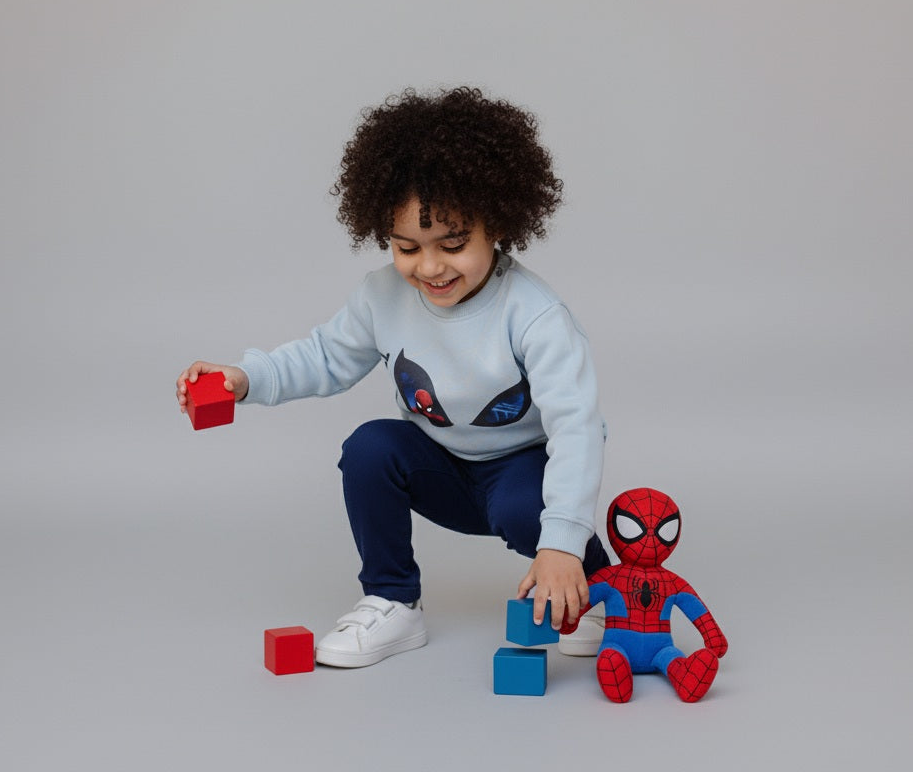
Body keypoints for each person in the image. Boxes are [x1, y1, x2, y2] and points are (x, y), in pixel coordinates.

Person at [176, 87, 610, 667]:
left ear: (499, 224)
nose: (429, 267)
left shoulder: (535, 316)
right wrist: (245, 378)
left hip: (520, 478)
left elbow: (578, 428)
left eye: (452, 245)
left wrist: (560, 544)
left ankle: (598, 584)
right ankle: (392, 600)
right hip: (443, 470)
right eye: (407, 247)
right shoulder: (383, 296)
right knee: (370, 447)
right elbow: (323, 357)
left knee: (524, 509)